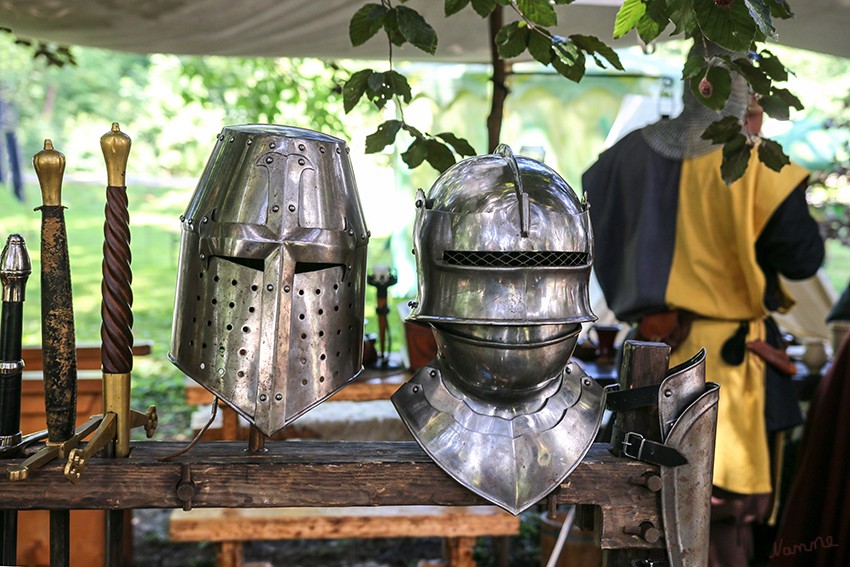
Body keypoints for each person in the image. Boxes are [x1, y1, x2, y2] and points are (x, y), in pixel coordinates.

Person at [582, 39, 824, 567]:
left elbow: (593, 221)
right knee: (719, 511)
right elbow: (804, 259)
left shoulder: (623, 156)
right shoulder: (757, 163)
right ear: (742, 98)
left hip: (648, 355)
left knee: (645, 501)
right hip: (726, 371)